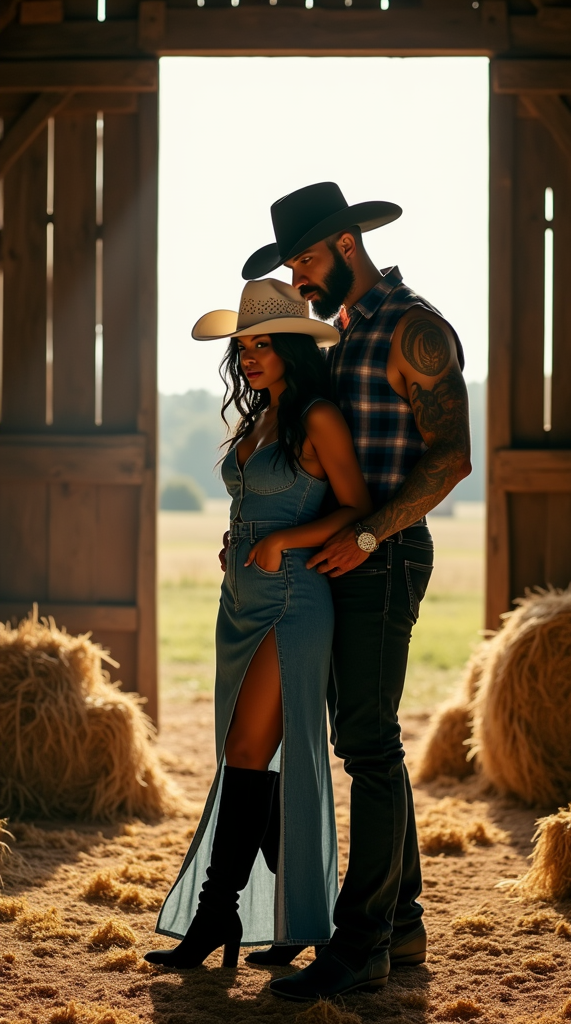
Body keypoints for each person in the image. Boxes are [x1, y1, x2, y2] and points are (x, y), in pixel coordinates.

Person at [241, 182, 472, 1001]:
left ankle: (361, 945)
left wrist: (370, 534)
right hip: (345, 553)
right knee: (363, 738)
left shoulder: (415, 330)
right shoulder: (339, 332)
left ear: (346, 244)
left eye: (305, 260)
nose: (299, 280)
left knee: (368, 744)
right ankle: (399, 925)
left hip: (388, 553)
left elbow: (451, 458)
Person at [145, 278, 372, 971]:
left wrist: (284, 542)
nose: (248, 357)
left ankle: (217, 915)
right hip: (239, 602)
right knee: (244, 757)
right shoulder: (257, 423)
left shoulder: (319, 418)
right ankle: (296, 913)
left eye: (263, 345)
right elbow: (255, 503)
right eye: (242, 347)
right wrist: (238, 540)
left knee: (251, 753)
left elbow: (357, 506)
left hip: (293, 601)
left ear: (293, 351)